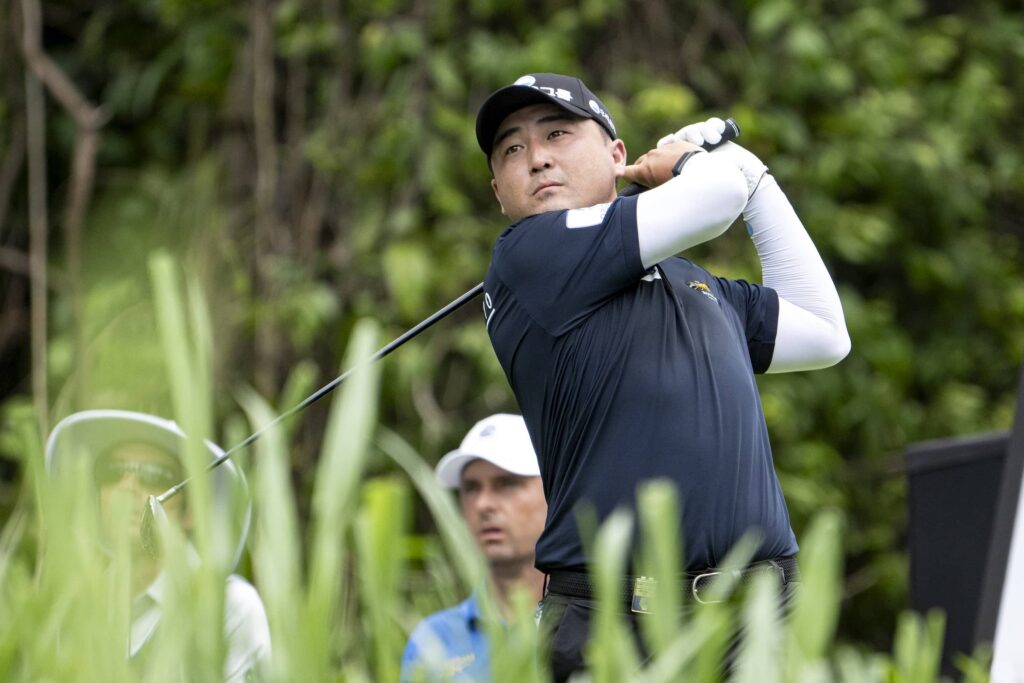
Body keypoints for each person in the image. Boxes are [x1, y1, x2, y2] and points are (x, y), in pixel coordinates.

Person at [474, 73, 851, 679]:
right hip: (615, 625)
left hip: (758, 616)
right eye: (512, 149)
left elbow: (825, 332)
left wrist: (753, 178)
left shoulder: (691, 280)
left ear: (617, 156)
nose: (537, 156)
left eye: (559, 133)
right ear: (500, 191)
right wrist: (698, 166)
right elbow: (713, 199)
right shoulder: (527, 257)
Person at [45, 409, 271, 681]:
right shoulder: (73, 609)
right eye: (113, 470)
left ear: (191, 512)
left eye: (154, 475)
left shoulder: (230, 607)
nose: (128, 485)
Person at [400, 413, 547, 682]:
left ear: (553, 490)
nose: (483, 505)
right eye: (471, 488)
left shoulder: (591, 622)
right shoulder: (432, 640)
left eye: (507, 483)